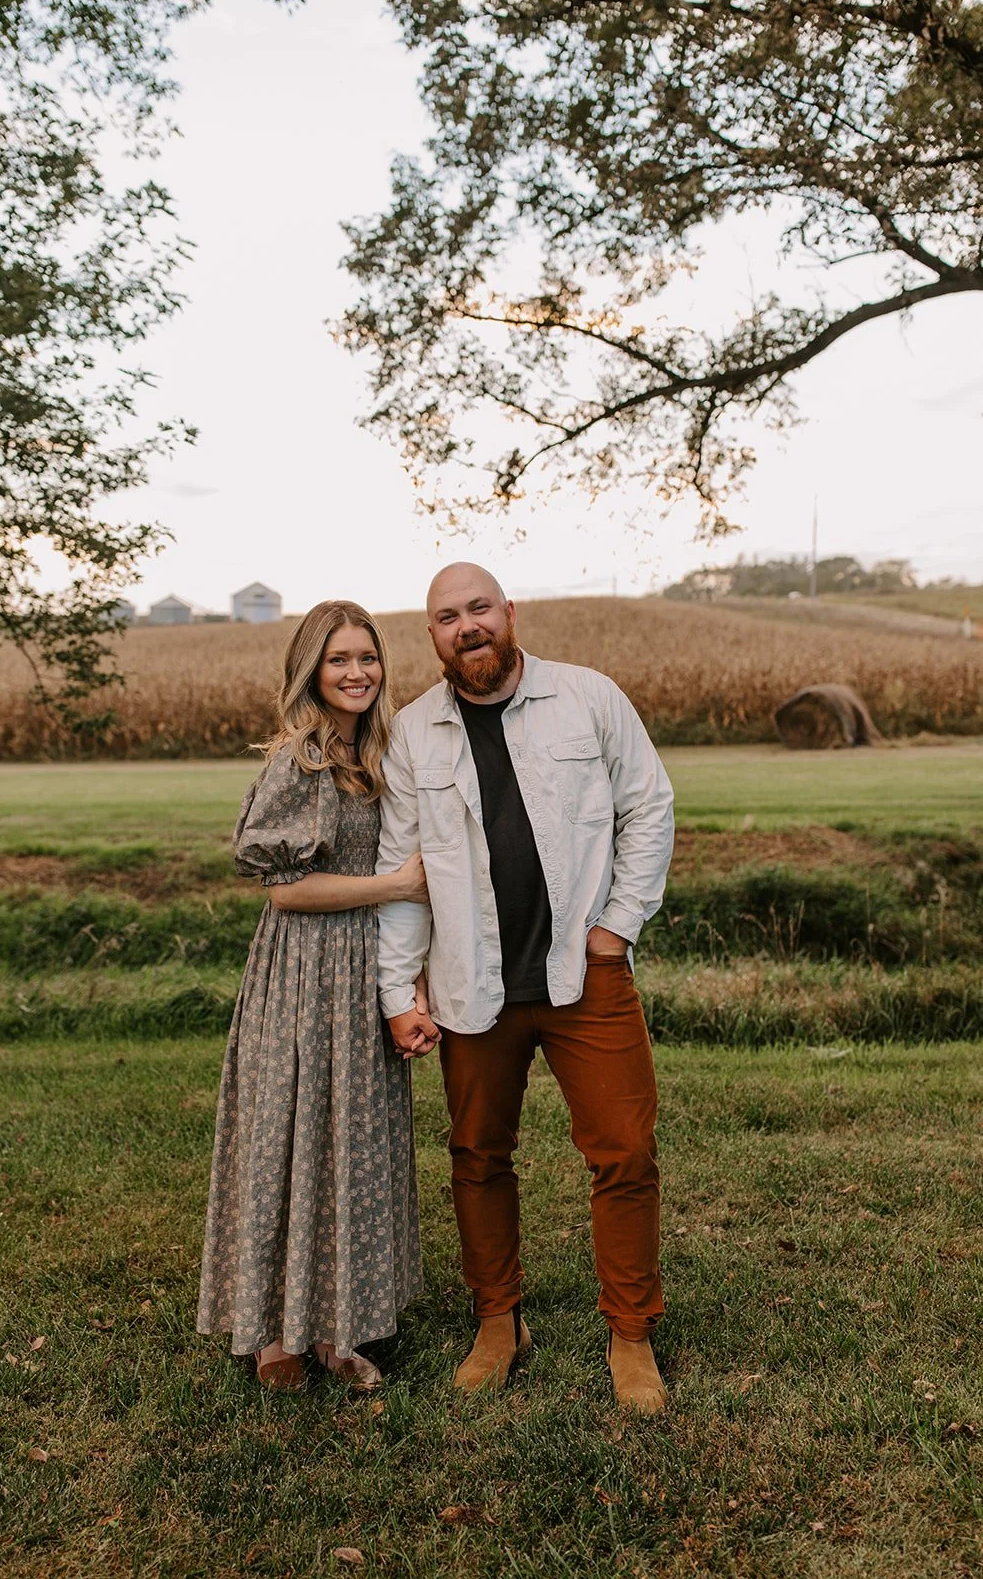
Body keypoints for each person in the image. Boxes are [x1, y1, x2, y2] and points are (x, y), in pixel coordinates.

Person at [376, 564, 675, 1412]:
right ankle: (499, 1322)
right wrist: (400, 990)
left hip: (587, 979)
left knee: (623, 1153)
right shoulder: (412, 734)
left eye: (479, 609)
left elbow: (647, 806)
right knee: (476, 1155)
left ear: (508, 614)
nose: (466, 626)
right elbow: (401, 874)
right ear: (430, 635)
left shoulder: (587, 697)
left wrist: (617, 924)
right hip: (471, 985)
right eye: (446, 617)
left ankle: (630, 1332)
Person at [197, 600, 433, 1390]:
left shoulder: (382, 750)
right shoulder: (298, 759)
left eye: (366, 657)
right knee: (289, 1135)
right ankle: (271, 1332)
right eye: (338, 660)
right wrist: (394, 884)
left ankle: (336, 1328)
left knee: (350, 1144)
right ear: (311, 670)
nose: (356, 672)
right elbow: (285, 892)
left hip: (363, 968)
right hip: (302, 973)